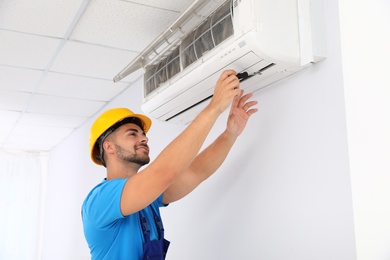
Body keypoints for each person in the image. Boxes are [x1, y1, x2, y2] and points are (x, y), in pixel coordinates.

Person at [81, 70, 258, 259]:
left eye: (143, 134)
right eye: (133, 133)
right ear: (109, 147)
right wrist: (214, 107)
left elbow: (196, 171)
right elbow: (164, 172)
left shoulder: (148, 198)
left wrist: (230, 134)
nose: (144, 138)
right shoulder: (100, 200)